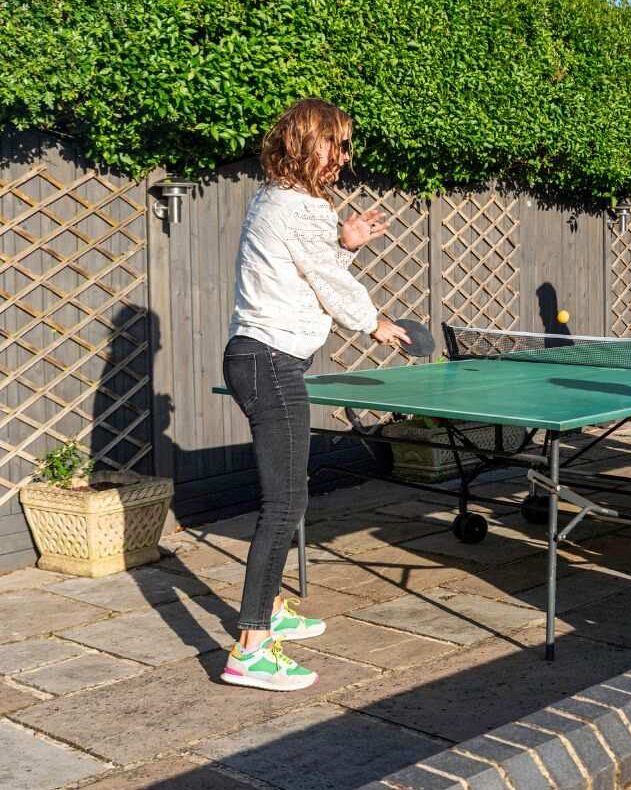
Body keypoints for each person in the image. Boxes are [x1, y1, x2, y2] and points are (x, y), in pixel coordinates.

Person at [220, 99, 410, 691]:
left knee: (288, 499)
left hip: (261, 359)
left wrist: (346, 242)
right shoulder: (299, 207)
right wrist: (375, 322)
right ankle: (250, 649)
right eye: (337, 144)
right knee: (284, 505)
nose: (344, 156)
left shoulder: (275, 199)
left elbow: (307, 266)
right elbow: (327, 281)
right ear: (308, 143)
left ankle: (271, 608)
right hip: (270, 363)